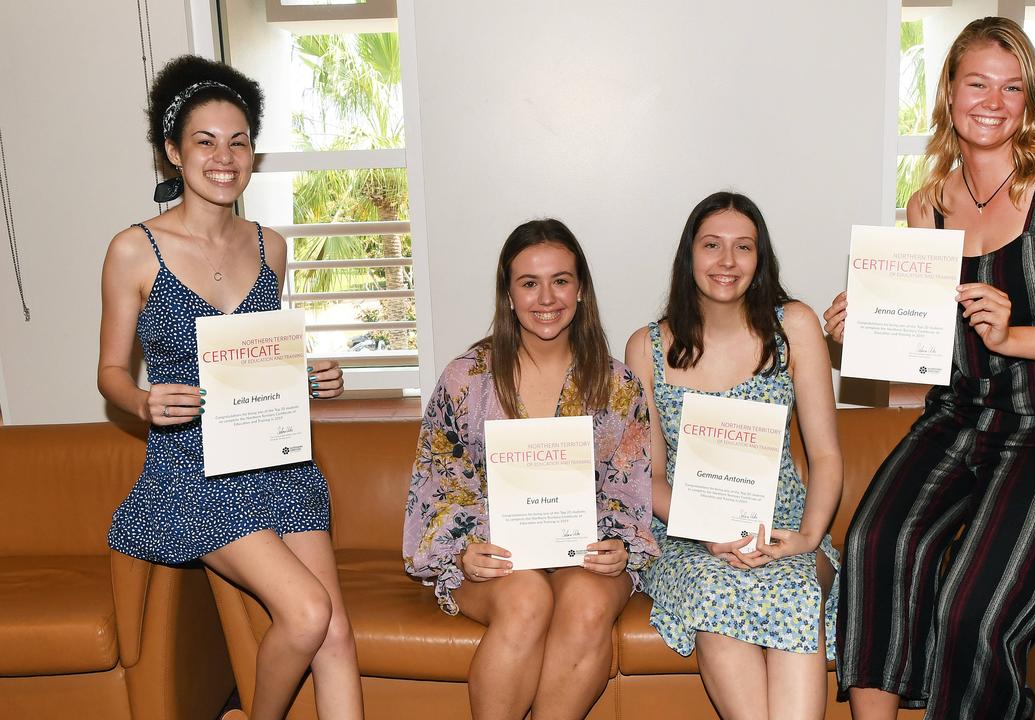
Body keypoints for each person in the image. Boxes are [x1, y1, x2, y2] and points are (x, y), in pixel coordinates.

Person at [825, 17, 1035, 720]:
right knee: (875, 545)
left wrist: (1017, 334)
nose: (994, 102)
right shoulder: (927, 205)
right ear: (948, 91)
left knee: (973, 608)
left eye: (1012, 86)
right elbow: (932, 352)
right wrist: (867, 336)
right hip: (960, 417)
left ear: (1028, 100)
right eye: (978, 83)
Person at [98, 56, 363, 720]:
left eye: (239, 141)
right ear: (172, 153)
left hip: (279, 464)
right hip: (193, 472)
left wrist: (313, 377)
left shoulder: (270, 246)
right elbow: (108, 374)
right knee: (305, 615)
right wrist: (142, 402)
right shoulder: (134, 250)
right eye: (205, 141)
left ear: (253, 153)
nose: (225, 157)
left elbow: (263, 364)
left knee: (335, 636)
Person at [403, 219, 658, 720]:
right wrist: (465, 549)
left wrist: (619, 545)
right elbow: (439, 485)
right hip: (497, 555)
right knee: (526, 599)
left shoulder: (618, 385)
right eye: (529, 283)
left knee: (586, 605)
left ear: (580, 289)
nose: (547, 298)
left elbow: (630, 490)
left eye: (561, 280)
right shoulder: (466, 379)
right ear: (508, 293)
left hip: (583, 551)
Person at [625, 191, 843, 720]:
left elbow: (827, 456)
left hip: (785, 528)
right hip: (690, 538)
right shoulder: (645, 348)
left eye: (743, 247)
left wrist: (808, 539)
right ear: (689, 257)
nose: (726, 262)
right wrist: (709, 533)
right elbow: (648, 479)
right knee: (715, 595)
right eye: (712, 246)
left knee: (794, 588)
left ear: (759, 259)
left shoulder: (794, 327)